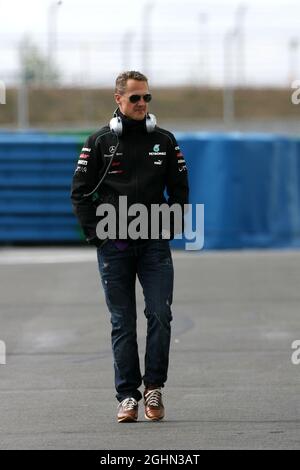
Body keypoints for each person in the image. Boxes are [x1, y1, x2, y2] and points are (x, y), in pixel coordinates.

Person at [71, 71, 189, 422]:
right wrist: (97, 235)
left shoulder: (165, 141)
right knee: (122, 321)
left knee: (160, 314)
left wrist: (167, 226)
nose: (141, 104)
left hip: (153, 245)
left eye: (146, 98)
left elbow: (180, 193)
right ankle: (127, 397)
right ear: (118, 99)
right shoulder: (100, 142)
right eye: (135, 98)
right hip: (114, 246)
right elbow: (79, 194)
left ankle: (154, 389)